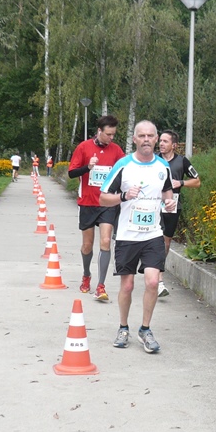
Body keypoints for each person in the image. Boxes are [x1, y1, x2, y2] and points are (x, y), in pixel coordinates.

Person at [99, 120, 176, 354]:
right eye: (141, 136)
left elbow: (167, 190)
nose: (146, 140)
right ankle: (123, 328)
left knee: (152, 282)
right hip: (127, 236)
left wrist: (169, 202)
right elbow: (103, 198)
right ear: (134, 139)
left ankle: (145, 329)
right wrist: (123, 196)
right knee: (128, 285)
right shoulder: (123, 165)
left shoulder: (163, 166)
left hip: (153, 234)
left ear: (156, 139)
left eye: (150, 136)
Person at [67, 115, 125, 302]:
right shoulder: (83, 147)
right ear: (99, 131)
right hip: (87, 203)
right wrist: (88, 167)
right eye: (108, 134)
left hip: (107, 204)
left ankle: (101, 285)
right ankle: (86, 275)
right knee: (87, 245)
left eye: (114, 134)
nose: (111, 138)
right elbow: (71, 173)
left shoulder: (116, 150)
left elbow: (125, 172)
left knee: (106, 241)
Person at [155, 129, 201, 297]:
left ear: (174, 145)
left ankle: (157, 273)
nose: (161, 144)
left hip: (173, 206)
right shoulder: (153, 159)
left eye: (165, 141)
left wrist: (181, 182)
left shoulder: (182, 161)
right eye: (160, 141)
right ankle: (158, 280)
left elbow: (197, 181)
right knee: (157, 240)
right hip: (154, 204)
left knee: (166, 243)